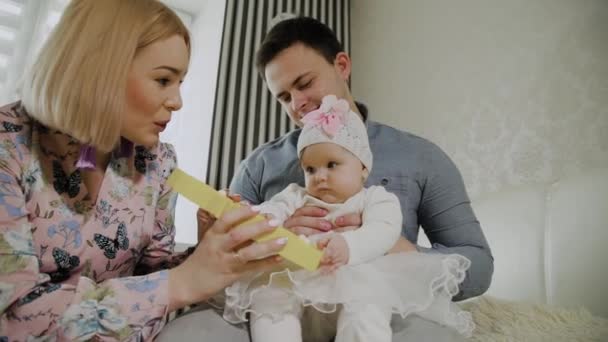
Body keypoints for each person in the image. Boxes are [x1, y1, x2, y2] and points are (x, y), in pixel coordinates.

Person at [0, 1, 286, 340]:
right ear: (101, 68)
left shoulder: (157, 162)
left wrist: (206, 253)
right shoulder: (9, 147)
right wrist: (181, 282)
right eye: (163, 79)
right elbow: (14, 318)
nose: (177, 101)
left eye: (180, 82)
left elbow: (154, 273)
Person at [225, 15, 495, 341]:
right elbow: (223, 256)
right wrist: (275, 237)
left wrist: (392, 248)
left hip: (378, 305)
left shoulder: (421, 157)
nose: (296, 104)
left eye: (305, 83)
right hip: (286, 298)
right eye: (283, 97)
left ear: (342, 65)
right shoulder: (259, 165)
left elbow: (479, 266)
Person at [223, 94, 474, 342]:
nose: (320, 176)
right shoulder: (296, 195)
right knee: (269, 300)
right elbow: (273, 210)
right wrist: (265, 218)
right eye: (311, 169)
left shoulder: (375, 198)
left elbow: (383, 230)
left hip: (355, 272)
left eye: (332, 164)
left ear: (363, 168)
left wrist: (349, 246)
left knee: (368, 307)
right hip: (299, 274)